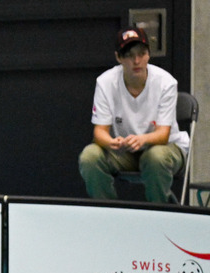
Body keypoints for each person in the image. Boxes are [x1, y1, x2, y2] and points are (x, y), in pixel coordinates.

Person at [78, 26, 189, 203]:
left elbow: (163, 135)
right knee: (90, 156)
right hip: (125, 151)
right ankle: (109, 215)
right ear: (118, 58)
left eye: (141, 53)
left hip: (166, 148)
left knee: (154, 157)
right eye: (129, 55)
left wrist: (142, 140)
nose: (136, 61)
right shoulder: (105, 82)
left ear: (148, 55)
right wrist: (112, 142)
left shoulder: (166, 82)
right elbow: (99, 133)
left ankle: (160, 215)